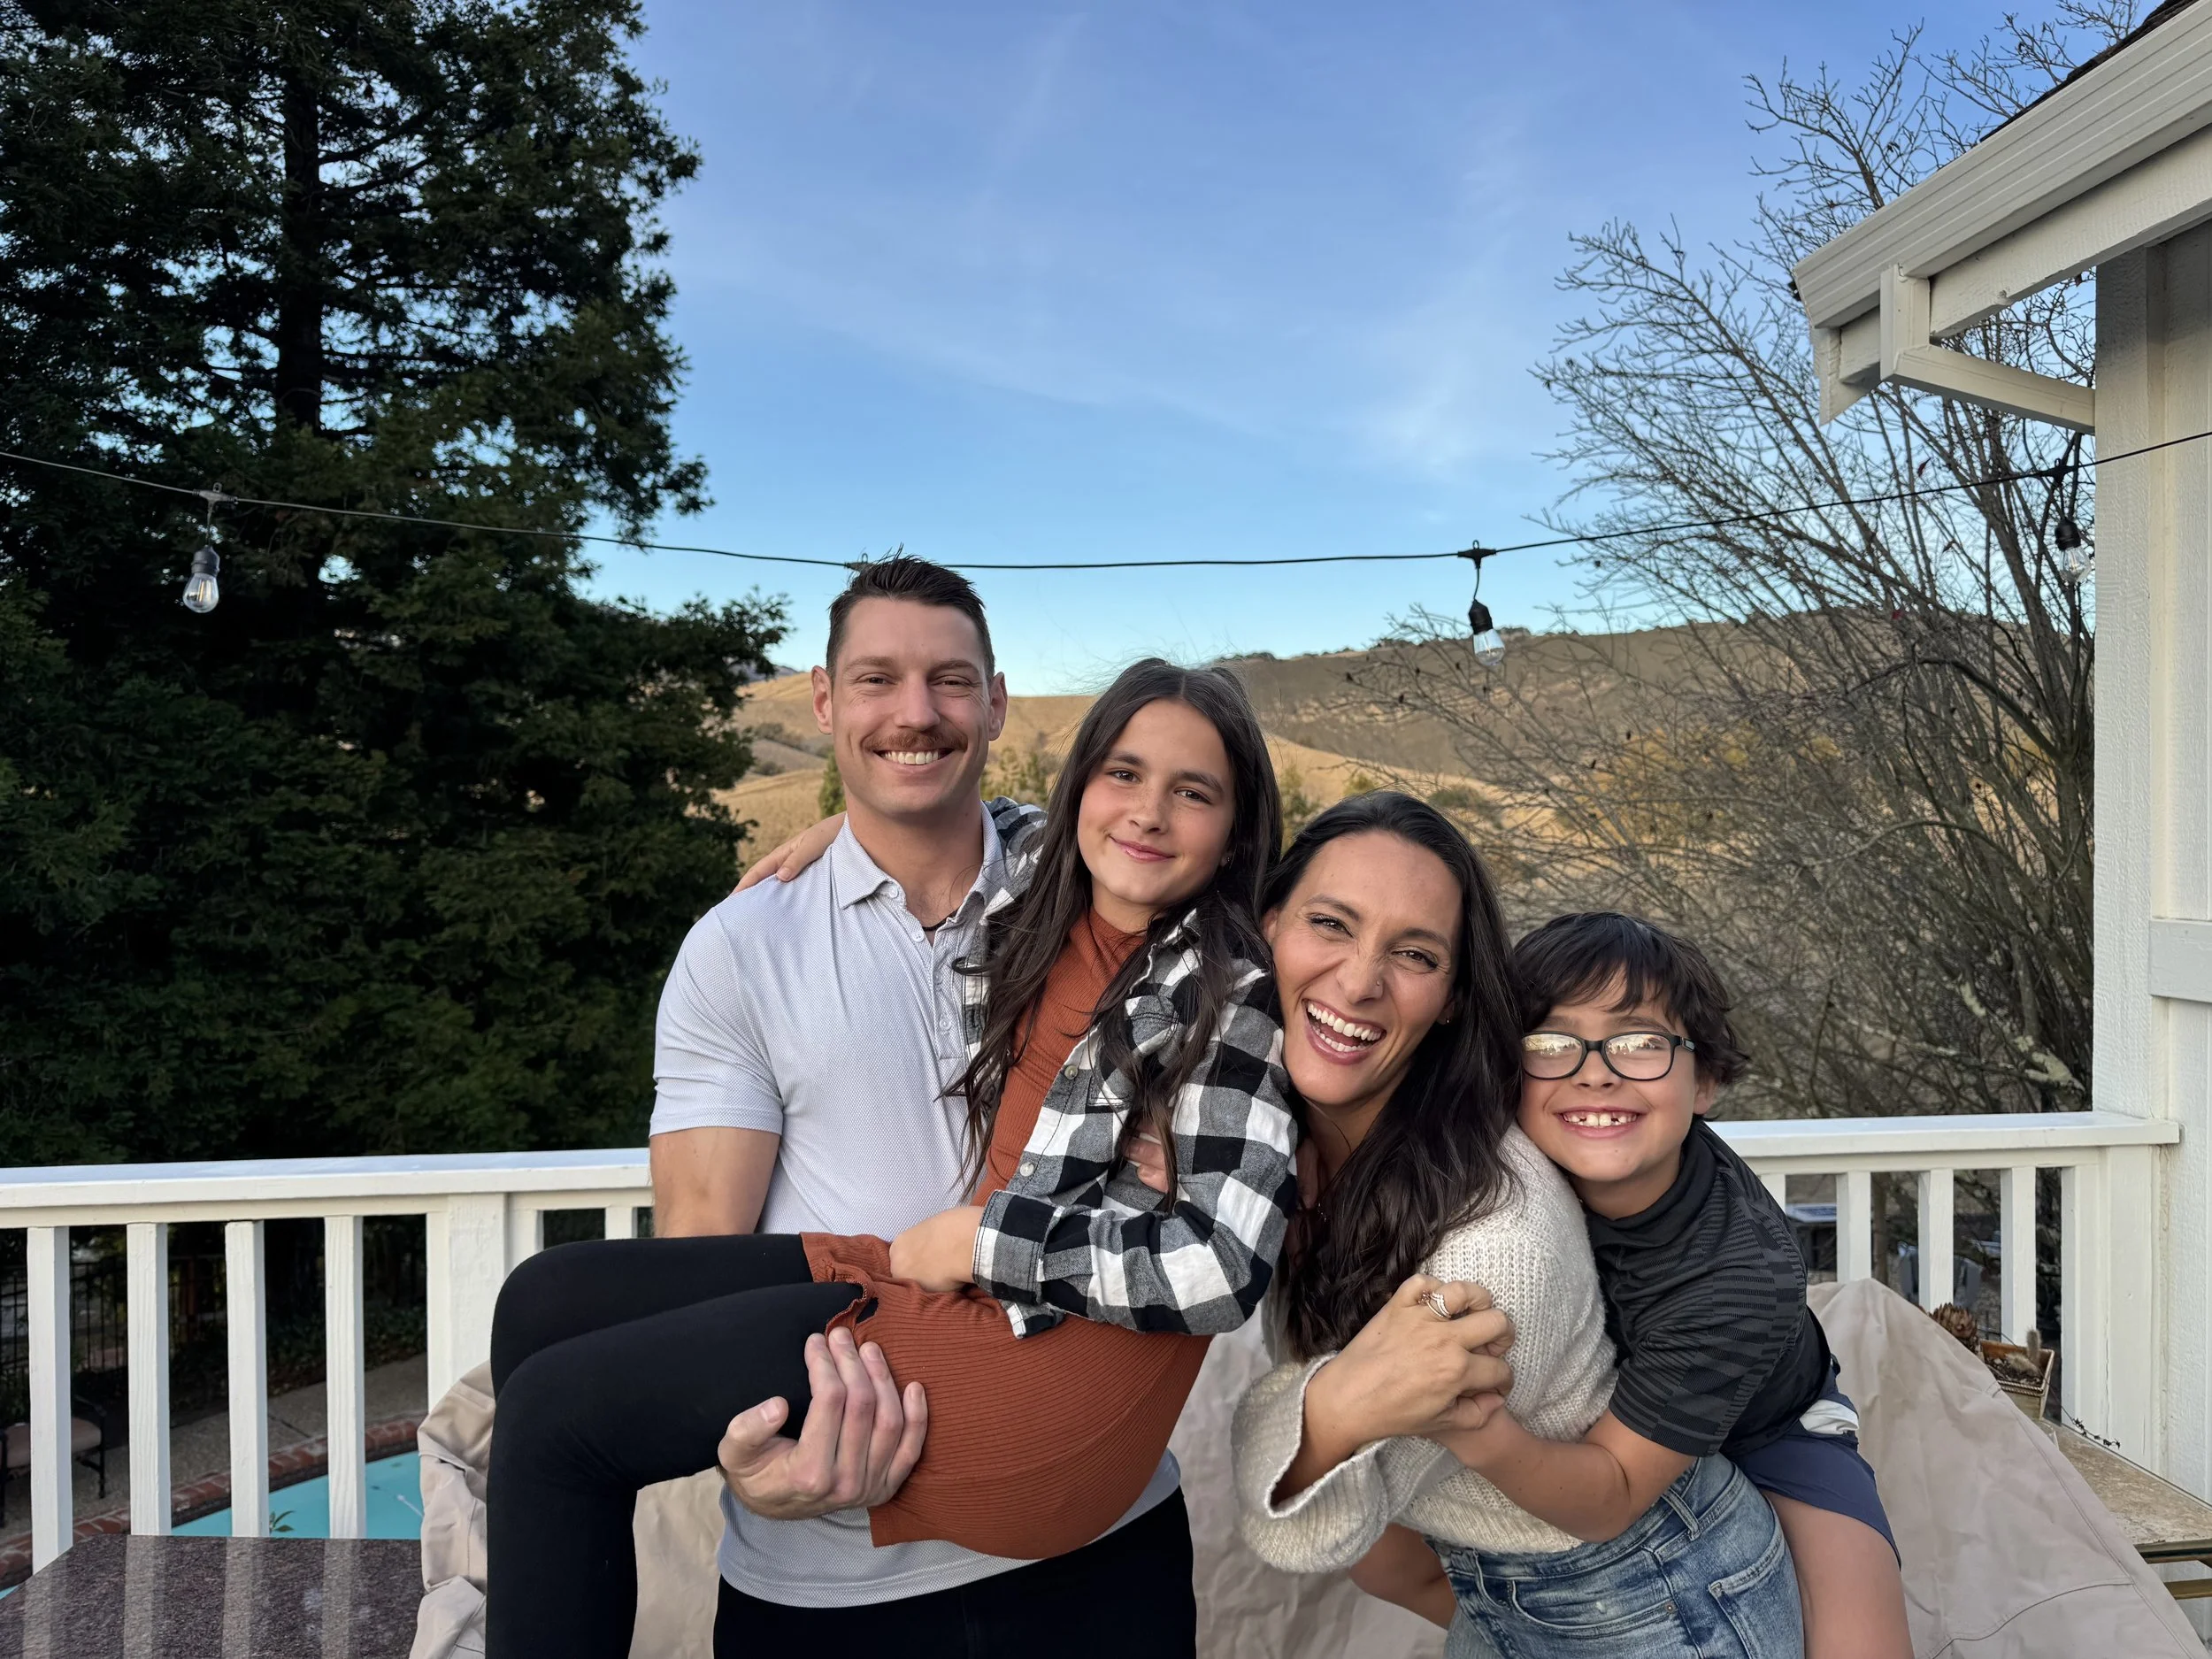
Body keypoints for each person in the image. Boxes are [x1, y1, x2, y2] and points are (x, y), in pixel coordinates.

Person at [484, 641, 1303, 1658]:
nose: (1146, 811)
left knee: (555, 1428)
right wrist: (850, 828)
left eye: (1193, 793)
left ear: (1232, 838)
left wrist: (983, 1244)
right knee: (544, 1302)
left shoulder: (1223, 992)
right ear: (1081, 782)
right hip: (965, 1297)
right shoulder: (1046, 883)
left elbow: (1223, 1266)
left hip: (1045, 1361)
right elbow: (955, 810)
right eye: (1123, 774)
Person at [1232, 798, 1805, 1658]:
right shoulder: (1264, 1130)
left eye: (1414, 953)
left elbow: (1314, 1519)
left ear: (1455, 998)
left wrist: (1337, 1408)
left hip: (1654, 1592)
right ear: (1266, 923)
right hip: (1512, 1579)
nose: (1356, 982)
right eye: (1329, 924)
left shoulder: (1500, 1250)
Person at [1425, 911, 1906, 1659]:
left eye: (1641, 1041)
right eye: (1550, 1042)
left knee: (1864, 1645)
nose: (1595, 1070)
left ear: (1704, 1078)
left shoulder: (1737, 1271)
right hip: (1615, 1388)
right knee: (1378, 1551)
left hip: (1767, 1426)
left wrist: (1476, 1430)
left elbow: (1614, 1489)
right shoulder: (1501, 1167)